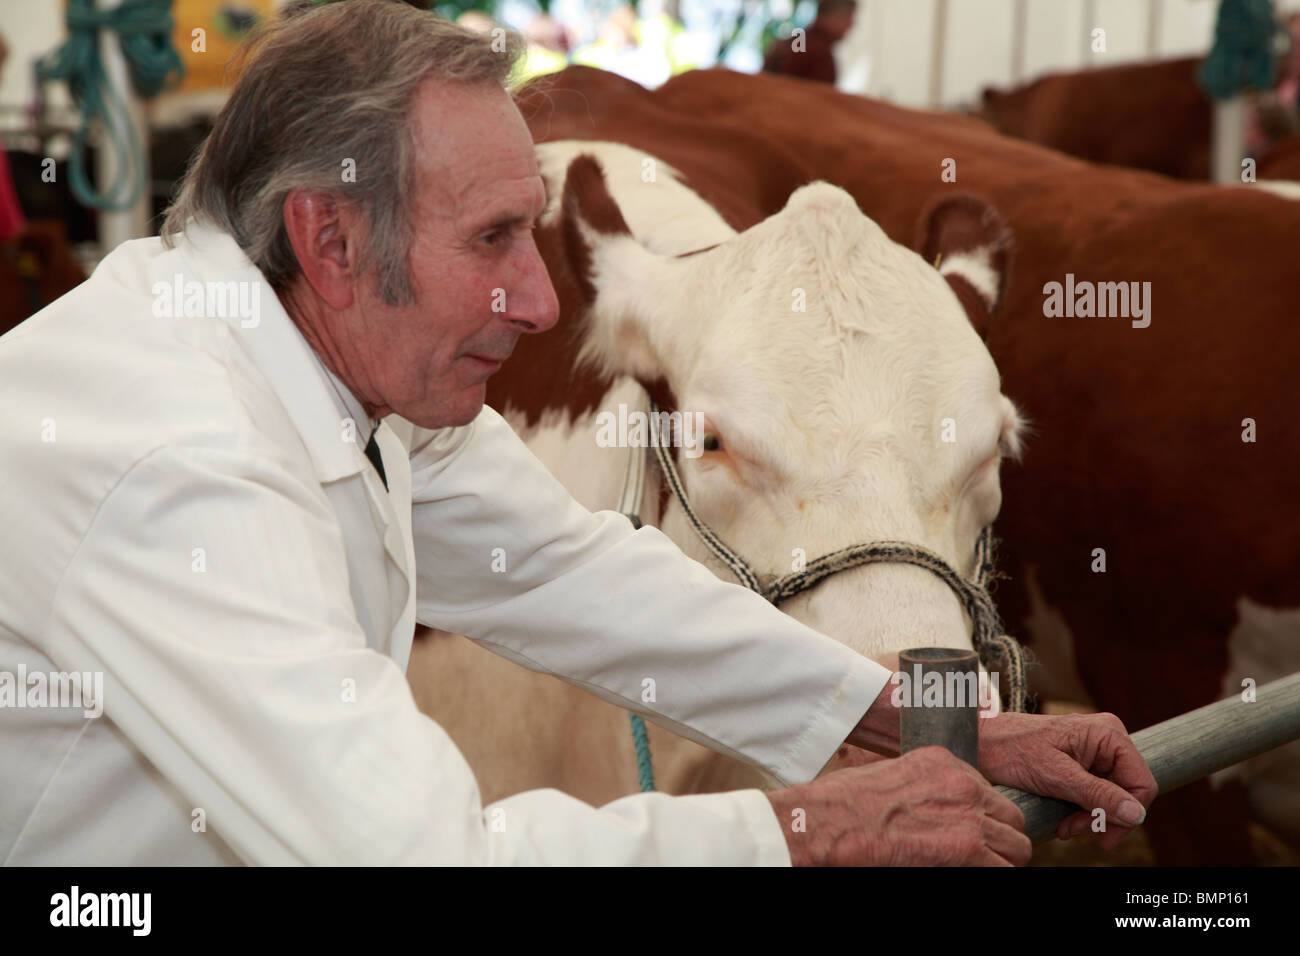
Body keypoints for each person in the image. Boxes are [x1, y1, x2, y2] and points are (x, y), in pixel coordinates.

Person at [0, 0, 1156, 866]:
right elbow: (418, 856)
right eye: (496, 238)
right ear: (333, 242)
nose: (542, 300)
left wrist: (890, 711)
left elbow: (564, 565)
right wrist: (807, 828)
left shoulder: (338, 371)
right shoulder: (178, 463)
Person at [764, 0, 856, 85]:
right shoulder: (817, 52)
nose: (850, 24)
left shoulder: (798, 40)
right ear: (829, 17)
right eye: (848, 17)